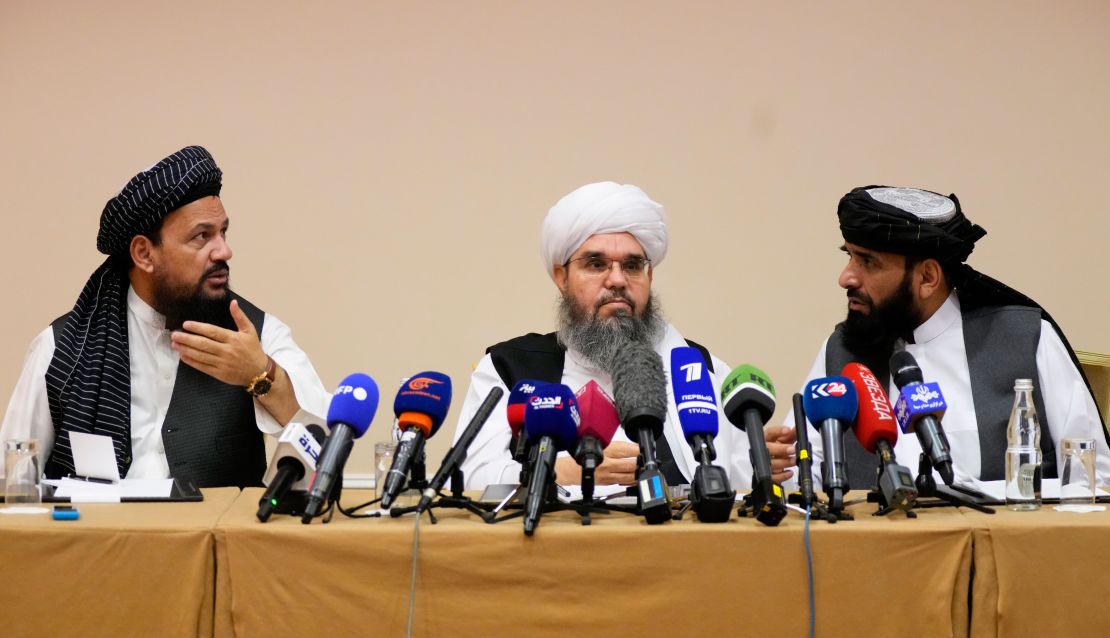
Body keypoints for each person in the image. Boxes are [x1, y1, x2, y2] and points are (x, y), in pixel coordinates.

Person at [0, 146, 330, 488]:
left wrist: (261, 376)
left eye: (223, 232)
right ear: (144, 253)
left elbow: (326, 445)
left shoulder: (257, 336)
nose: (224, 251)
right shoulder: (63, 347)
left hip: (211, 541)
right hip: (98, 540)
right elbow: (12, 480)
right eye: (202, 236)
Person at [767, 185, 1110, 488]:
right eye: (849, 257)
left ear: (928, 277)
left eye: (867, 262)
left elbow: (1095, 475)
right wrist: (779, 466)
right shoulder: (842, 351)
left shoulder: (1025, 339)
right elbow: (805, 473)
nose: (846, 277)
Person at [452, 181, 750, 490]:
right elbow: (469, 477)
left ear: (649, 276)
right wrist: (564, 471)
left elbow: (739, 490)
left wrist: (756, 463)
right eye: (596, 264)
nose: (618, 280)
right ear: (561, 277)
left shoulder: (699, 370)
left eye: (633, 265)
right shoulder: (511, 370)